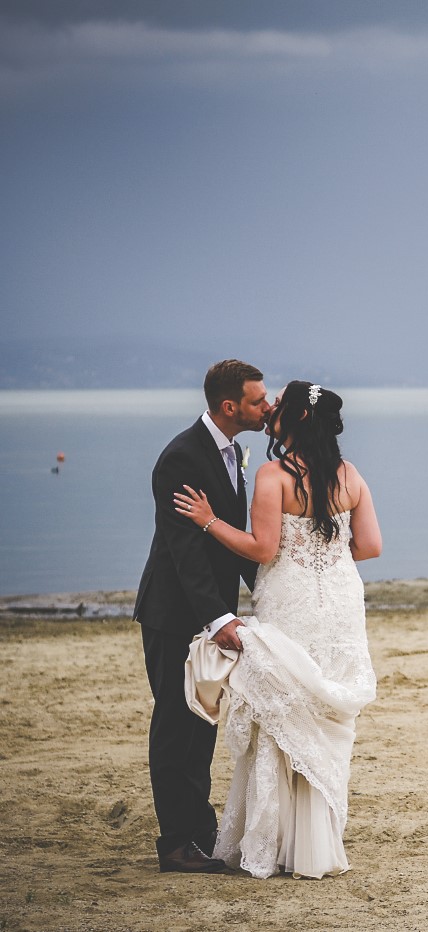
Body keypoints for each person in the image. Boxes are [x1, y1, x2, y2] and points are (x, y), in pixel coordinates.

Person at [173, 380, 382, 879]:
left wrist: (208, 521)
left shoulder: (274, 474)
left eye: (279, 408)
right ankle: (316, 842)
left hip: (292, 600)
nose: (270, 413)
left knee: (284, 706)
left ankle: (275, 842)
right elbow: (370, 546)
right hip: (340, 602)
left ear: (297, 420)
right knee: (320, 704)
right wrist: (325, 558)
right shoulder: (350, 475)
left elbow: (263, 550)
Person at [134, 359, 270, 873]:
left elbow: (231, 542)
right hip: (174, 614)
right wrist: (219, 619)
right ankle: (174, 845)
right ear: (230, 406)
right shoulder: (180, 458)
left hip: (211, 615)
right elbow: (184, 549)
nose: (268, 406)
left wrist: (271, 596)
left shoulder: (232, 450)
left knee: (204, 723)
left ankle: (200, 830)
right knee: (175, 724)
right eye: (259, 401)